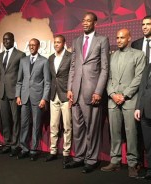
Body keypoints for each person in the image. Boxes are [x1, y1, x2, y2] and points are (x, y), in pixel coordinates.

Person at [65, 12, 110, 173]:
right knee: (77, 128)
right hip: (76, 91)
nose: (85, 23)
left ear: (95, 23)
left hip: (92, 92)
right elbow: (73, 67)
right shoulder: (76, 41)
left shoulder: (102, 40)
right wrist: (70, 88)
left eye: (88, 21)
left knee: (92, 128)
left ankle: (91, 160)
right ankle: (79, 157)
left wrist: (99, 91)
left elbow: (105, 68)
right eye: (83, 20)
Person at [101, 29, 145, 177]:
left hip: (129, 100)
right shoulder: (111, 57)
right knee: (114, 132)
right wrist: (113, 94)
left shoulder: (139, 55)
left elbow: (139, 78)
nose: (119, 40)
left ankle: (133, 163)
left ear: (129, 38)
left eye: (122, 38)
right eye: (117, 38)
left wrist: (124, 95)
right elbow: (108, 78)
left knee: (131, 133)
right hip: (113, 101)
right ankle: (115, 160)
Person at [16, 38, 50, 161]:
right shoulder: (23, 61)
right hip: (24, 97)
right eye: (30, 45)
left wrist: (44, 99)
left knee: (36, 125)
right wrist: (18, 95)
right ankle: (24, 148)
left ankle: (33, 149)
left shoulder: (44, 61)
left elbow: (47, 82)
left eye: (33, 45)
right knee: (24, 124)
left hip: (37, 98)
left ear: (38, 46)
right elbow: (19, 81)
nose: (31, 47)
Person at [0, 32, 26, 156]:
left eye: (8, 39)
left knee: (16, 119)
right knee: (5, 119)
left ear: (13, 40)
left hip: (14, 92)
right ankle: (7, 143)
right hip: (2, 92)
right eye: (4, 39)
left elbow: (23, 76)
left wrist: (20, 93)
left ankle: (16, 144)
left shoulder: (20, 54)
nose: (6, 41)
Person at [45, 35, 72, 167]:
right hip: (53, 95)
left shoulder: (70, 56)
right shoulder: (50, 58)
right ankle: (53, 151)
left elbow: (73, 76)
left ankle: (66, 153)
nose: (56, 44)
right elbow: (51, 77)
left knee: (67, 126)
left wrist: (70, 91)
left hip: (66, 95)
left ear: (64, 43)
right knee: (54, 125)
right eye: (55, 42)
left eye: (59, 42)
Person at [134, 66, 151, 180]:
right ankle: (150, 169)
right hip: (145, 110)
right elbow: (142, 88)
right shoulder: (148, 66)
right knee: (148, 144)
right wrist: (138, 107)